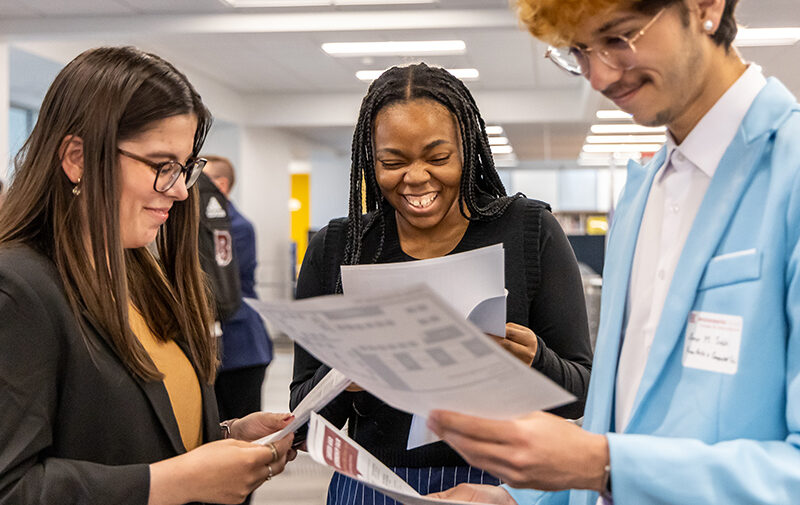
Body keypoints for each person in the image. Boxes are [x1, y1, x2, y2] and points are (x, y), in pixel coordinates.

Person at [425, 1, 800, 504]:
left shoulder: (790, 173)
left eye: (619, 38)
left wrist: (600, 463)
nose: (598, 76)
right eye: (578, 52)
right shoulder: (643, 194)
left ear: (706, 7)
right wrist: (521, 500)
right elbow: (621, 421)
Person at [0, 46, 294, 505]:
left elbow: (115, 429)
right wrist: (178, 481)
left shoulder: (138, 269)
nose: (178, 191)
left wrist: (223, 437)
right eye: (162, 166)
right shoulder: (20, 289)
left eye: (184, 168)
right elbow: (12, 487)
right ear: (77, 158)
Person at [290, 62, 594, 505]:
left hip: (502, 485)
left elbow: (581, 395)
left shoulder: (529, 230)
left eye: (437, 158)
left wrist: (536, 362)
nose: (416, 178)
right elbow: (301, 417)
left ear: (467, 151)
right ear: (370, 161)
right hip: (372, 481)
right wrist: (342, 377)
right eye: (393, 162)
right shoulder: (338, 247)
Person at [203, 155, 275, 505]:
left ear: (220, 186)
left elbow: (222, 289)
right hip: (214, 352)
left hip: (241, 349)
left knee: (239, 449)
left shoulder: (235, 226)